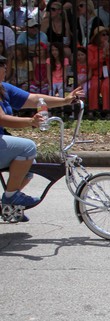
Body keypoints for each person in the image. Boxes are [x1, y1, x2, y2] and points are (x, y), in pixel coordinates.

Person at [0, 54, 83, 218]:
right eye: (2, 66)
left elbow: (35, 99)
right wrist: (30, 121)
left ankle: (8, 208)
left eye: (4, 65)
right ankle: (10, 198)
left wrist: (65, 101)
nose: (4, 69)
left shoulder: (3, 88)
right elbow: (2, 119)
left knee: (30, 167)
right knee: (27, 147)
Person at [88, 26, 110, 117]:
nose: (106, 37)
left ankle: (107, 110)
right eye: (103, 35)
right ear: (97, 37)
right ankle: (93, 110)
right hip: (96, 74)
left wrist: (109, 55)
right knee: (94, 85)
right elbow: (91, 64)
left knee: (106, 86)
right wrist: (102, 57)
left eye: (107, 35)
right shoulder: (91, 48)